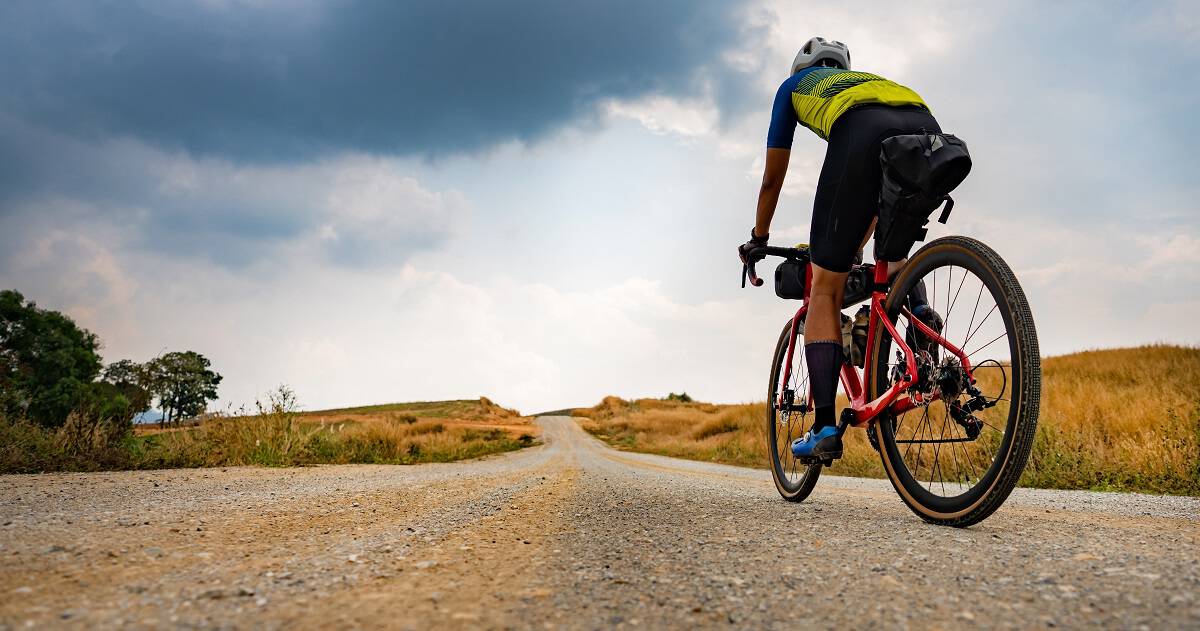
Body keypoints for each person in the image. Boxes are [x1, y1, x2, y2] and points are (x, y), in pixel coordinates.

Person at [738, 37, 942, 461]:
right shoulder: (866, 81)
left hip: (861, 133)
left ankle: (824, 427)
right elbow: (868, 211)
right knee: (895, 261)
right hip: (927, 129)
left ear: (801, 67)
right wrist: (852, 246)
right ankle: (926, 347)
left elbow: (772, 179)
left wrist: (758, 238)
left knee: (825, 292)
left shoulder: (793, 87)